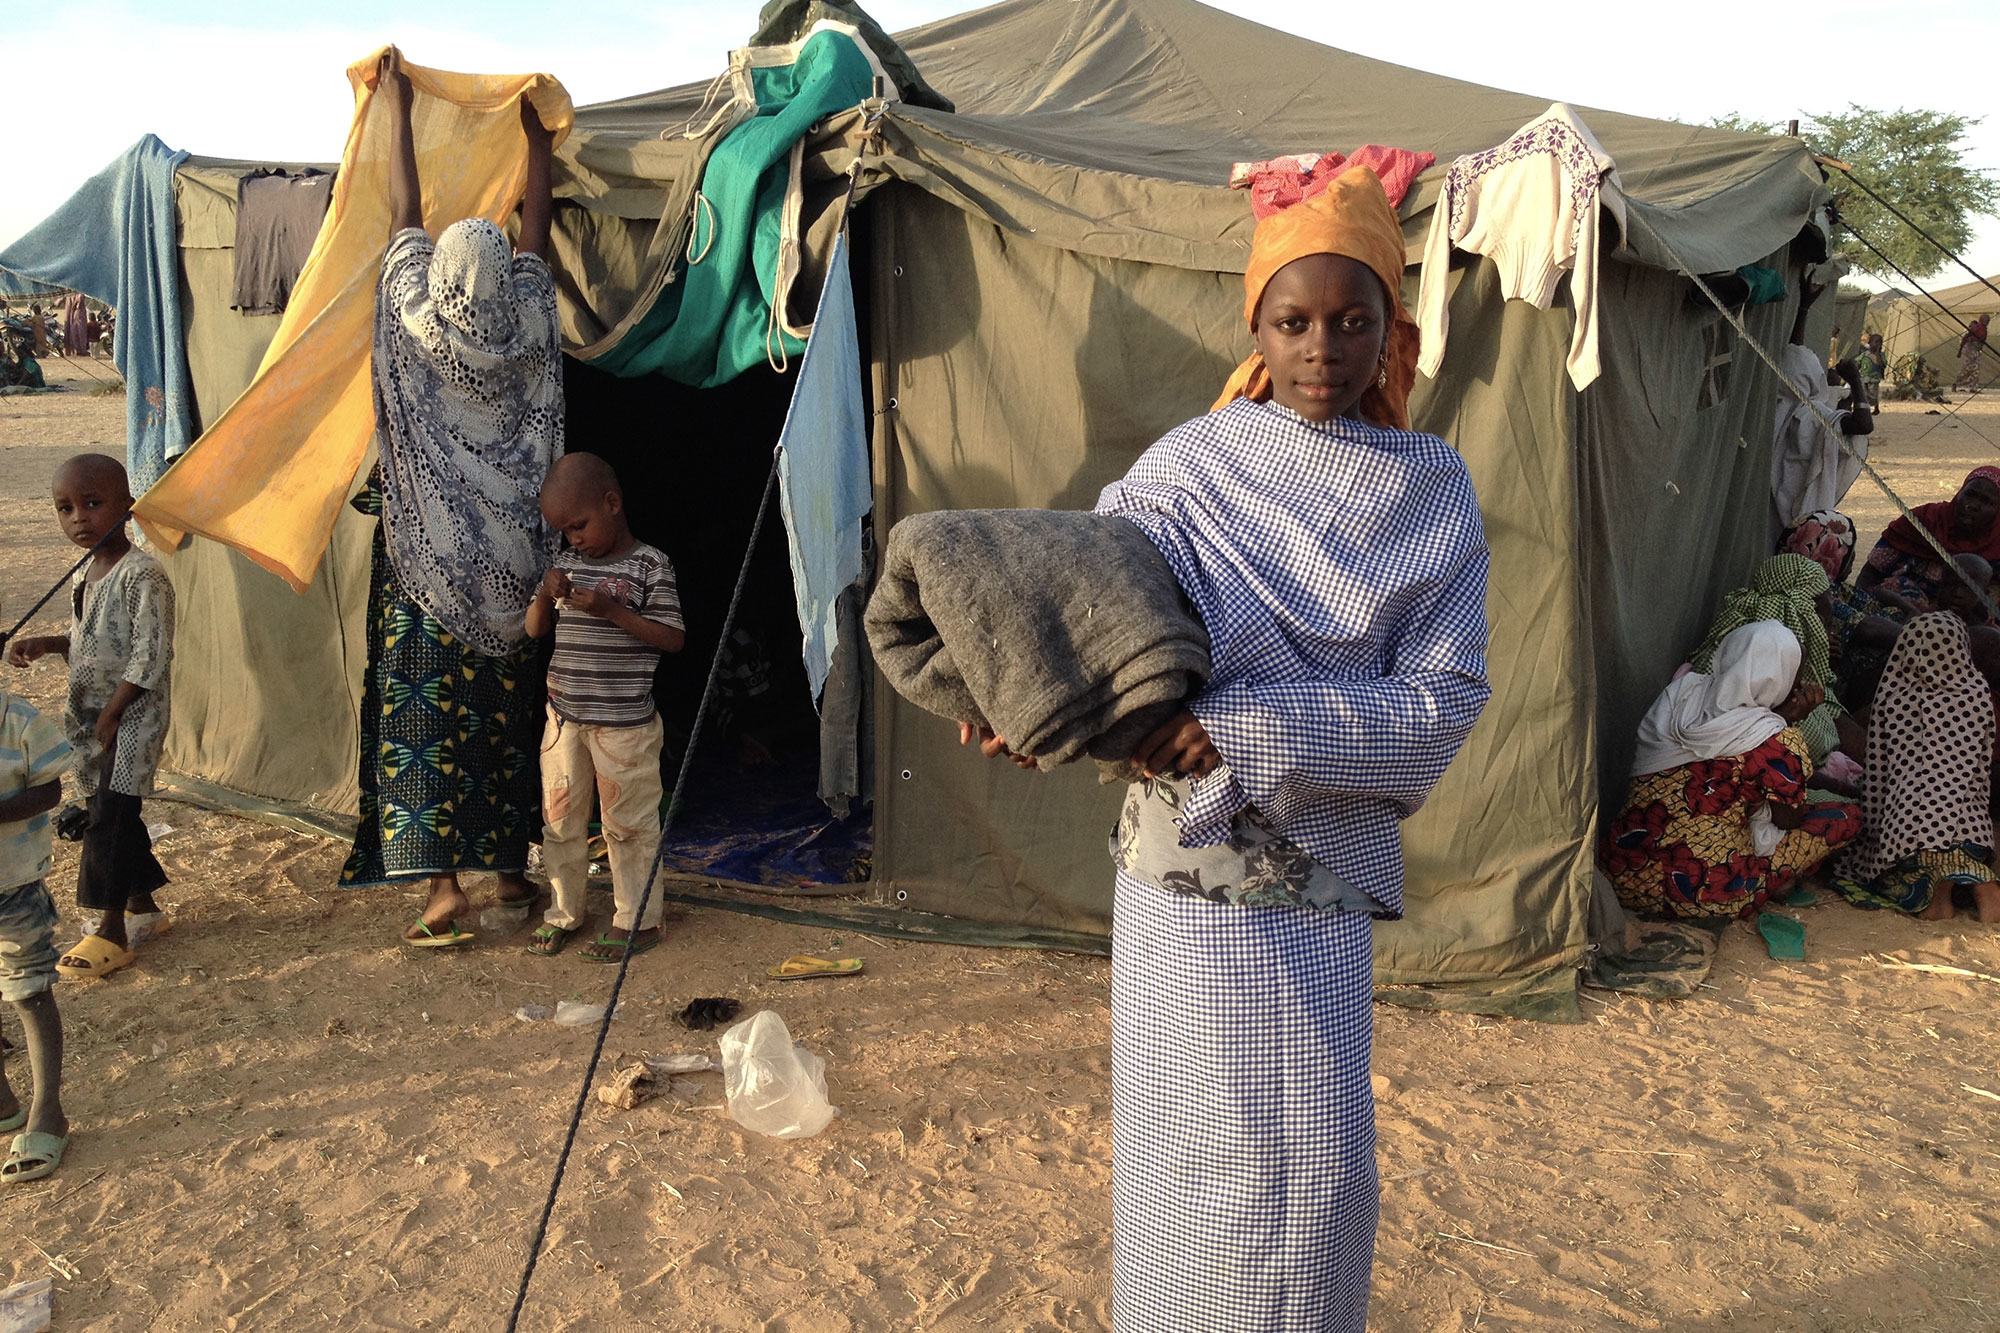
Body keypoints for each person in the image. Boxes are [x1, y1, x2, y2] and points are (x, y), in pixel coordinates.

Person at [966, 165, 1490, 1329]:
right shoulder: (1187, 467)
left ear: (1390, 329)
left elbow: (1444, 697)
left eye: (1352, 321)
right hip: (1174, 877)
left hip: (1311, 881)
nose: (1322, 349)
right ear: (1252, 326)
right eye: (1293, 321)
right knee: (1183, 1150)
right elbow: (1097, 611)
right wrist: (1017, 694)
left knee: (1303, 1168)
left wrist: (1252, 728)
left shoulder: (1433, 488)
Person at [338, 54, 564, 946]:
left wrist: (395, 105)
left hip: (427, 568)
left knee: (424, 717)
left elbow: (403, 213)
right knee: (510, 719)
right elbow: (538, 228)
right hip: (518, 575)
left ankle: (442, 890)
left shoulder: (411, 320)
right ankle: (511, 870)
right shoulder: (533, 320)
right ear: (504, 277)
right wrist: (535, 141)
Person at [4, 454, 175, 979]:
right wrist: (51, 643)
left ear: (127, 506)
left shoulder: (144, 574)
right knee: (113, 811)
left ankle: (111, 929)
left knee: (108, 816)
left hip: (131, 718)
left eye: (94, 504)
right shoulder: (87, 574)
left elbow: (150, 654)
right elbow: (88, 641)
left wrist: (116, 712)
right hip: (92, 716)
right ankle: (143, 907)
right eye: (66, 508)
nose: (79, 518)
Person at [523, 453, 685, 962]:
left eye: (579, 526)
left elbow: (673, 639)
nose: (573, 539)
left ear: (612, 504)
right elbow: (534, 631)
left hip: (625, 725)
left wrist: (610, 610)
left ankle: (639, 919)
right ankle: (564, 912)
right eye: (564, 531)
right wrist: (545, 597)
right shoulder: (566, 567)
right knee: (561, 819)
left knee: (628, 824)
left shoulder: (649, 565)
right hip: (565, 717)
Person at [1603, 620, 1862, 921]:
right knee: (1847, 817)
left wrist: (1773, 720)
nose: (1799, 685)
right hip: (1704, 895)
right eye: (1795, 676)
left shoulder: (1680, 695)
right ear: (1779, 680)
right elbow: (1789, 818)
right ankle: (1772, 883)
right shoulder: (1776, 741)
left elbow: (1722, 739)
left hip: (1624, 876)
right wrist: (1784, 723)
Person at [1831, 614, 2000, 921]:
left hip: (1912, 834)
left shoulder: (1895, 696)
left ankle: (1939, 896)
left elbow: (1879, 776)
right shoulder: (1977, 694)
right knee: (1953, 821)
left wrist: (1872, 829)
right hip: (1976, 834)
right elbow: (1981, 770)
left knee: (1874, 871)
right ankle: (1979, 881)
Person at [0, 668, 71, 1182]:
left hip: (14, 886)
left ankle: (49, 1112)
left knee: (28, 991)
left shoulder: (18, 721)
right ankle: (4, 1103)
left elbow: (49, 791)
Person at [1690, 553, 1845, 761]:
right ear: (1804, 614)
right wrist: (1786, 717)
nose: (1827, 632)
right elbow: (1744, 758)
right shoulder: (1762, 671)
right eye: (1824, 622)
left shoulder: (1743, 645)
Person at [1770, 274, 1873, 527]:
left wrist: (1803, 308)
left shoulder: (1782, 404)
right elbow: (1863, 425)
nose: (1829, 374)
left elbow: (1795, 360)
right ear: (1814, 380)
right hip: (1800, 501)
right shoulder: (1810, 414)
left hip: (1779, 492)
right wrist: (1856, 380)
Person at [1857, 466, 2000, 614]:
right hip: (1897, 616)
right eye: (1969, 494)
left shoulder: (1997, 544)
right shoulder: (1924, 520)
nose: (1972, 505)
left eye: (1986, 502)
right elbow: (1870, 574)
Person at [1954, 313, 1989, 393]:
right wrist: (1960, 350)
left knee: (1976, 368)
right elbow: (1966, 337)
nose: (1987, 322)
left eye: (1988, 320)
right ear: (1981, 320)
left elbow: (1982, 340)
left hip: (1976, 350)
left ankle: (1973, 387)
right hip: (1970, 349)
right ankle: (1957, 384)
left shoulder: (1984, 329)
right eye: (1986, 320)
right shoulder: (1976, 327)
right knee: (1967, 368)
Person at [1855, 332, 1885, 412]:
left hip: (1874, 378)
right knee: (1864, 392)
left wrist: (1877, 353)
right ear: (1870, 343)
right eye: (1874, 342)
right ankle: (1867, 407)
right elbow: (1858, 362)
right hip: (1864, 377)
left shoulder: (1881, 355)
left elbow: (1881, 364)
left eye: (1878, 343)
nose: (1875, 344)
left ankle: (1875, 407)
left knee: (1873, 394)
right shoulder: (1865, 354)